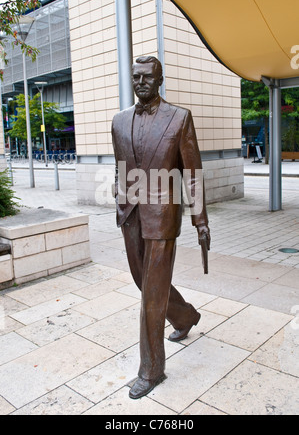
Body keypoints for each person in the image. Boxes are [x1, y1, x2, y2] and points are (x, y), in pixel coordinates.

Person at [111, 56, 210, 399]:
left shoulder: (179, 118)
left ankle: (151, 369)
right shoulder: (120, 120)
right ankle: (184, 318)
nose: (140, 82)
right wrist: (118, 194)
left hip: (163, 217)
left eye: (147, 77)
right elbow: (120, 166)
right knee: (145, 283)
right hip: (130, 215)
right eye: (135, 77)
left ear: (160, 79)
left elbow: (193, 174)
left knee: (152, 296)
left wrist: (201, 220)